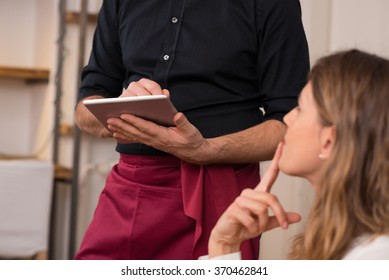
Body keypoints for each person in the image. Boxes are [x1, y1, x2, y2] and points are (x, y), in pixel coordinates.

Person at [74, 0, 309, 260]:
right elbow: (85, 109)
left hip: (218, 188)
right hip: (131, 185)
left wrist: (205, 150)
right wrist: (123, 113)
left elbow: (290, 124)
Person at [207, 49, 389, 260]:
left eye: (300, 109)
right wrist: (225, 245)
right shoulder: (347, 240)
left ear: (329, 141)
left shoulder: (374, 256)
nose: (287, 118)